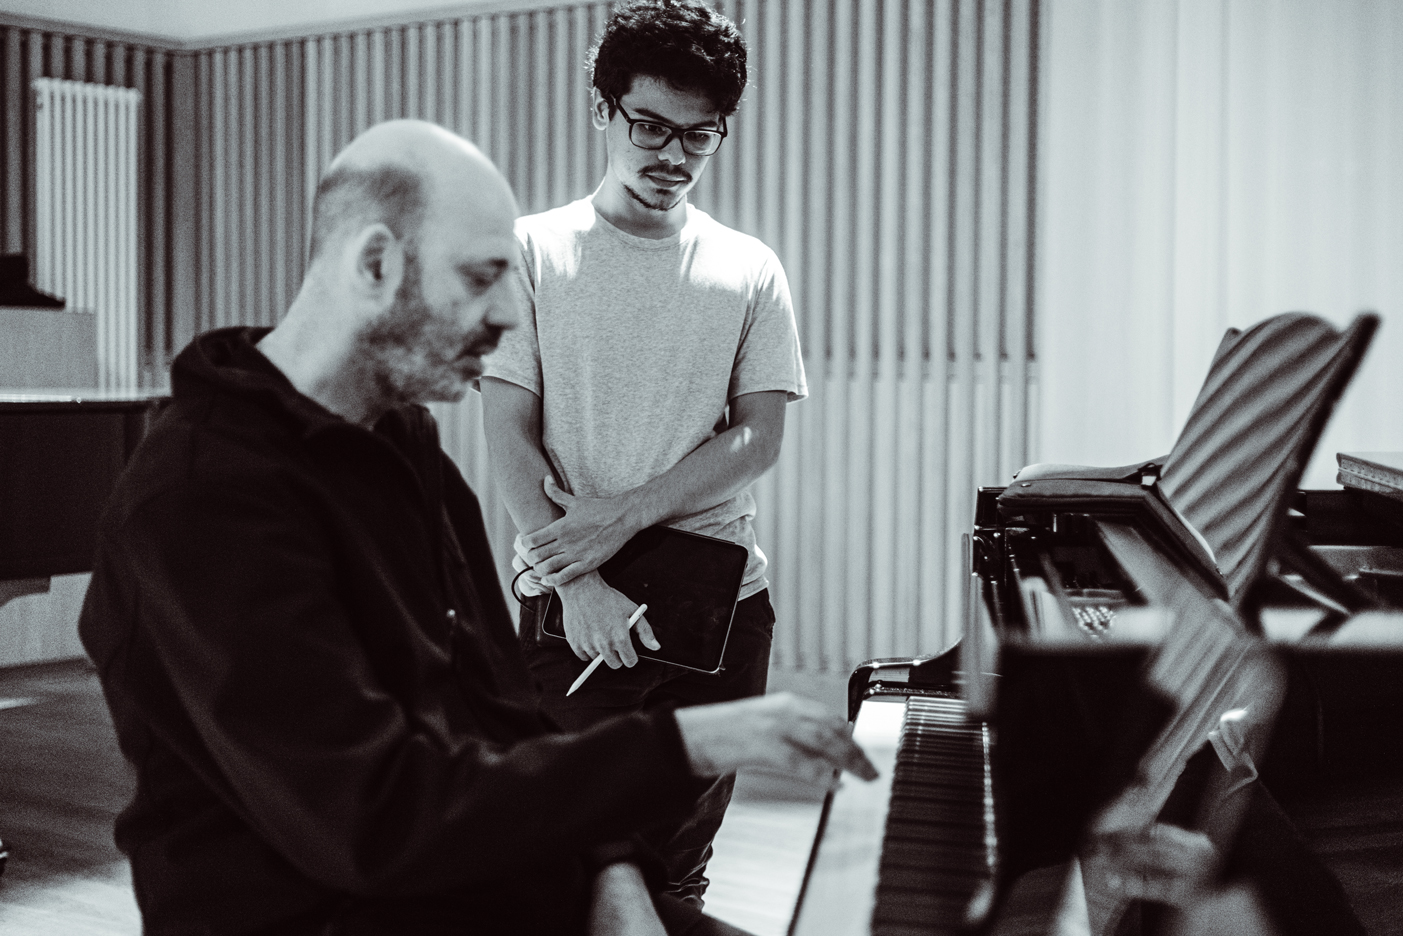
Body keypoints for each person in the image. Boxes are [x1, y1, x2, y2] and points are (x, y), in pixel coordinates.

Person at [77, 119, 874, 936]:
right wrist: (689, 743)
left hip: (484, 881)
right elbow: (376, 819)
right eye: (482, 277)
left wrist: (611, 871)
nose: (506, 317)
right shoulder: (200, 499)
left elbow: (504, 715)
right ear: (376, 264)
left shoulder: (400, 440)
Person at [480, 0, 804, 905]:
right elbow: (506, 430)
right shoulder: (531, 251)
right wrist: (580, 582)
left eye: (699, 135)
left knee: (680, 868)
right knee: (568, 867)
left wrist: (618, 518)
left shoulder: (749, 267)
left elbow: (758, 436)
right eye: (650, 126)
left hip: (720, 608)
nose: (673, 156)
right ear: (602, 108)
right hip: (570, 602)